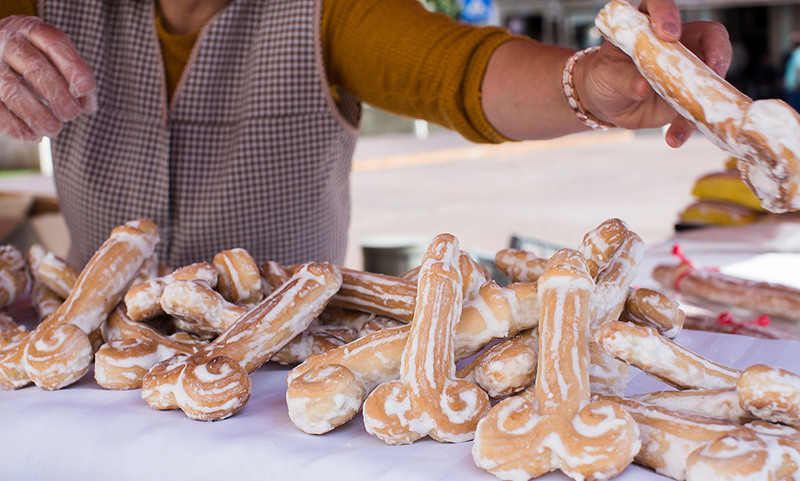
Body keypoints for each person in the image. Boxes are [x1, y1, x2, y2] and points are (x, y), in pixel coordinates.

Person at [0, 0, 732, 269]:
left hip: (276, 381)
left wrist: (594, 87)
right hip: (86, 366)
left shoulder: (332, 11)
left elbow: (466, 73)